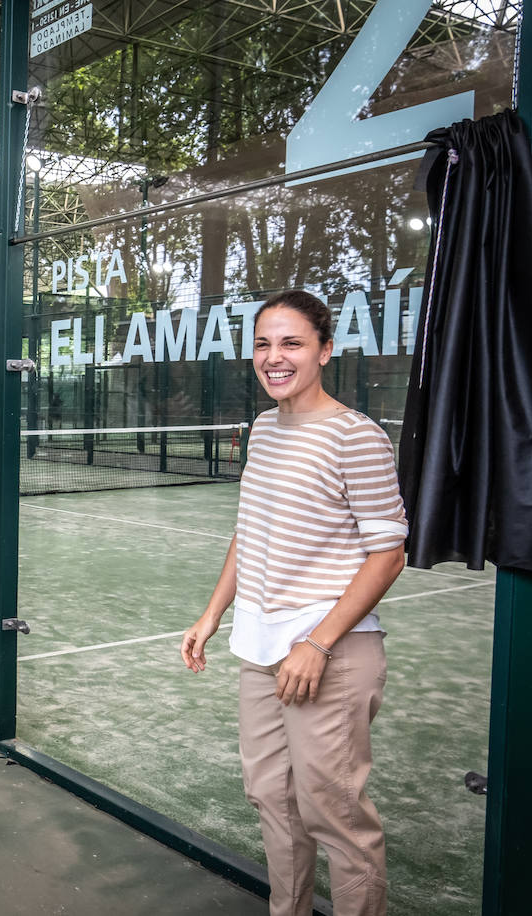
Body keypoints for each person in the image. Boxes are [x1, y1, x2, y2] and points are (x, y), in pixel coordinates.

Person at [179, 290, 406, 916]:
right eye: (263, 344)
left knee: (333, 813)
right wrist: (213, 611)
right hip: (261, 648)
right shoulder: (262, 429)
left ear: (324, 350)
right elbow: (250, 529)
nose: (273, 358)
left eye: (291, 343)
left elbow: (388, 553)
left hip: (329, 652)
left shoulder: (355, 437)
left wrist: (316, 643)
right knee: (272, 799)